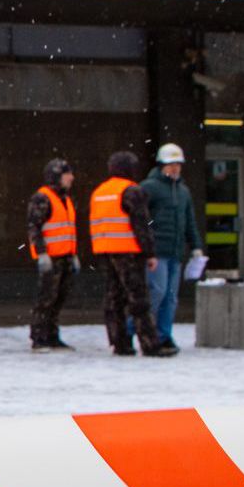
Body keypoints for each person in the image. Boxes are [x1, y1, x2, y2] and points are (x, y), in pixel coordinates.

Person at [89, 151, 179, 358]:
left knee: (114, 299)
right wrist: (149, 253)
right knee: (139, 299)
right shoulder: (131, 191)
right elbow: (141, 225)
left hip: (105, 250)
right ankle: (150, 344)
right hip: (129, 251)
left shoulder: (100, 191)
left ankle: (119, 342)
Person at [141, 143, 204, 346]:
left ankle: (163, 335)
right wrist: (153, 229)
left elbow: (189, 221)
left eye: (178, 164)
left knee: (170, 297)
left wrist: (195, 246)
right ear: (161, 165)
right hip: (157, 251)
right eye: (171, 164)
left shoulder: (183, 191)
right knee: (157, 292)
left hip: (175, 252)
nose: (175, 168)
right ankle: (139, 327)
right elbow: (141, 217)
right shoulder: (149, 187)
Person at [28, 158, 79, 351]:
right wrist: (42, 254)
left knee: (58, 297)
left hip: (64, 256)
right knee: (46, 298)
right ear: (57, 176)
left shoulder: (65, 199)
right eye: (68, 174)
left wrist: (73, 254)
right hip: (51, 257)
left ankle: (51, 335)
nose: (71, 178)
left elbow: (68, 230)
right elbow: (34, 228)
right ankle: (39, 337)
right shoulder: (43, 198)